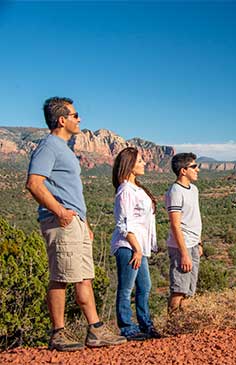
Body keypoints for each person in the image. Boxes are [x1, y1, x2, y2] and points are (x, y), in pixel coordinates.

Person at [26, 97, 126, 351]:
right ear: (62, 119)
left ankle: (95, 330)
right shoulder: (49, 146)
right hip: (60, 222)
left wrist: (84, 222)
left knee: (84, 277)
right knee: (60, 277)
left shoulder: (63, 149)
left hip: (75, 222)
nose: (79, 119)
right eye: (75, 114)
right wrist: (60, 211)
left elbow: (70, 190)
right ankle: (57, 334)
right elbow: (34, 183)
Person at [111, 147, 162, 340]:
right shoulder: (125, 191)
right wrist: (137, 248)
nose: (144, 164)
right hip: (128, 247)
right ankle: (127, 327)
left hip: (138, 248)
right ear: (130, 165)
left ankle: (145, 324)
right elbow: (123, 223)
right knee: (126, 288)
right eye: (140, 161)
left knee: (144, 286)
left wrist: (142, 248)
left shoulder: (136, 188)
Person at [165, 153, 203, 316]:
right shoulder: (175, 191)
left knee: (189, 291)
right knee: (179, 289)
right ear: (183, 171)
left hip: (193, 244)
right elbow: (175, 224)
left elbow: (195, 218)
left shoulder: (194, 189)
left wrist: (199, 243)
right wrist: (184, 253)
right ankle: (171, 325)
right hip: (182, 247)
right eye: (194, 166)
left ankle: (182, 325)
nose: (198, 169)